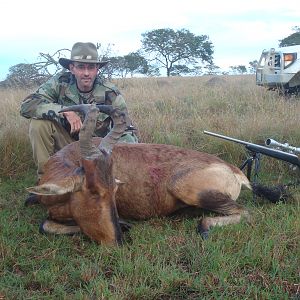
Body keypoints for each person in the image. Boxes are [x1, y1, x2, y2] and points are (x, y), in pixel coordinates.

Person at [20, 42, 138, 181]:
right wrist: (64, 112)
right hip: (67, 145)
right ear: (72, 68)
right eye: (81, 67)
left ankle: (114, 180)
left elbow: (125, 128)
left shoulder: (111, 93)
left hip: (97, 152)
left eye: (91, 67)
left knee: (127, 145)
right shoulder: (59, 83)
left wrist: (122, 159)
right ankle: (47, 179)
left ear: (97, 69)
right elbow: (27, 105)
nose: (86, 73)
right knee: (38, 125)